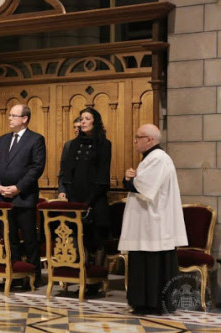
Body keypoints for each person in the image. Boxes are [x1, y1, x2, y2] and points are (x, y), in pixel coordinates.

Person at [118, 124, 188, 315]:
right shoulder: (152, 158)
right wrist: (131, 179)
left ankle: (152, 303)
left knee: (151, 262)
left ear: (150, 140)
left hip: (153, 223)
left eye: (138, 137)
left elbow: (144, 186)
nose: (135, 141)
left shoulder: (157, 159)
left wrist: (128, 180)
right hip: (148, 222)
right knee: (147, 261)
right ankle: (146, 302)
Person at [0, 104, 46, 288]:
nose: (10, 118)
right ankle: (15, 273)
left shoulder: (35, 139)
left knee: (29, 239)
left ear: (24, 119)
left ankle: (33, 274)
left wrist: (18, 188)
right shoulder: (3, 139)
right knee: (10, 237)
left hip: (24, 197)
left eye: (14, 116)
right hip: (4, 197)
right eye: (9, 115)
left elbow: (37, 168)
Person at [59, 107, 111, 267]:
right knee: (78, 239)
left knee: (96, 240)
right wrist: (74, 200)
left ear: (95, 121)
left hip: (95, 200)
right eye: (81, 119)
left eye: (87, 118)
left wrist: (88, 203)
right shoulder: (73, 144)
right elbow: (66, 174)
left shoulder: (104, 144)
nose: (83, 122)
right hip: (76, 200)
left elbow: (103, 176)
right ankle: (82, 278)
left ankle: (95, 281)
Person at [58, 117, 81, 199]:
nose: (76, 130)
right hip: (70, 190)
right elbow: (63, 170)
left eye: (79, 127)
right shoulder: (68, 145)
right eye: (74, 127)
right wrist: (61, 190)